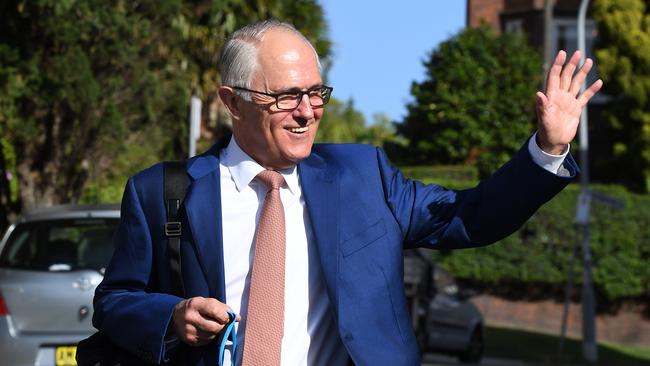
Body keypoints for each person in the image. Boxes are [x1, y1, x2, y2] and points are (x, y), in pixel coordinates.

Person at [92, 19, 602, 366]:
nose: (308, 111)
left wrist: (546, 149)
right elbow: (114, 300)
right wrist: (171, 317)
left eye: (316, 93)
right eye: (287, 96)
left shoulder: (364, 175)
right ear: (234, 101)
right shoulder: (162, 191)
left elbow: (471, 215)